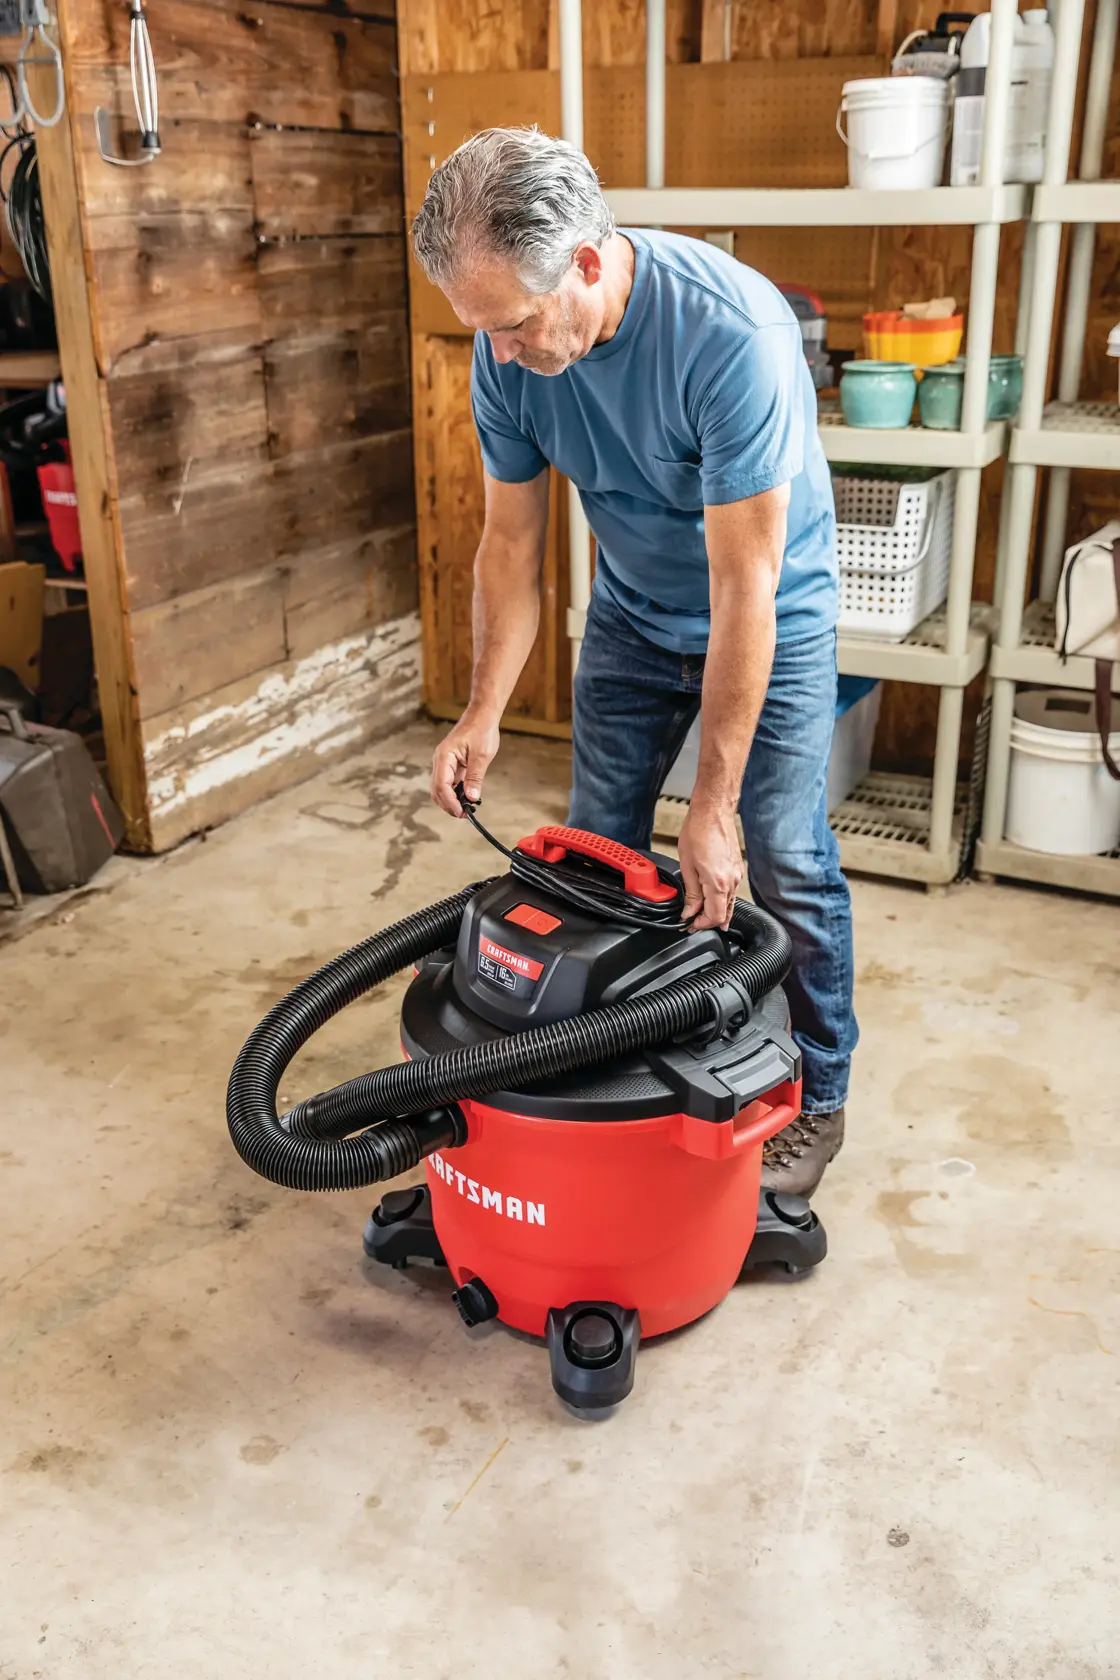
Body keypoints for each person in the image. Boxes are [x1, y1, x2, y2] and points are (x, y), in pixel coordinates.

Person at [411, 126, 856, 1197]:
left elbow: (745, 584)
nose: (501, 353)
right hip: (632, 614)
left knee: (781, 856)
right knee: (595, 848)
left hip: (770, 617)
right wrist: (481, 716)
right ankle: (601, 1074)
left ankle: (819, 1093)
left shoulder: (729, 336)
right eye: (484, 330)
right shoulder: (502, 348)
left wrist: (711, 799)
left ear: (591, 263)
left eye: (514, 324)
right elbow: (511, 546)